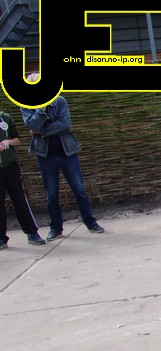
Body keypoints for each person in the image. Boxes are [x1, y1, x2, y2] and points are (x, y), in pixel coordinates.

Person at [20, 78, 105, 240]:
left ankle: (90, 222)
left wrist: (41, 131)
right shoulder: (26, 106)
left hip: (67, 153)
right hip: (45, 157)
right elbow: (32, 126)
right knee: (52, 195)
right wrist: (40, 110)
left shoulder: (59, 101)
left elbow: (65, 125)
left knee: (79, 190)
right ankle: (55, 228)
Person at [0, 109, 45, 249]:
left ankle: (32, 233)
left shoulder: (5, 118)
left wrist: (8, 142)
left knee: (20, 199)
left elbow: (17, 140)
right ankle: (1, 238)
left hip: (10, 166)